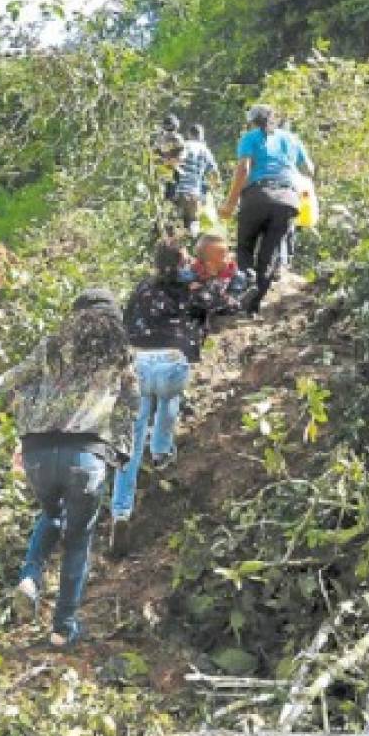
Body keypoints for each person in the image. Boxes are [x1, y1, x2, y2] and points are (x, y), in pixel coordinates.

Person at [6, 289, 139, 648]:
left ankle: (30, 576)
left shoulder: (51, 346)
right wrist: (120, 454)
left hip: (37, 452)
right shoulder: (120, 356)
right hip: (85, 456)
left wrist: (25, 425)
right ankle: (63, 628)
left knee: (51, 514)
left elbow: (15, 381)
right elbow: (129, 408)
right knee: (78, 539)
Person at [110, 239, 227, 557]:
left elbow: (123, 321)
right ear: (182, 261)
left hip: (137, 362)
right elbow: (216, 301)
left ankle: (121, 511)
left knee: (130, 445)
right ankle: (161, 452)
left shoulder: (141, 288)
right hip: (172, 359)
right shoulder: (189, 283)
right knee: (169, 400)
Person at [218, 104, 315, 315]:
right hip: (287, 201)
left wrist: (230, 204)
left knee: (244, 247)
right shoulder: (291, 139)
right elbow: (310, 168)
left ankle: (247, 279)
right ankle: (253, 307)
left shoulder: (250, 137)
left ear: (253, 122)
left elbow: (244, 169)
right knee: (269, 255)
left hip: (257, 197)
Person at [175, 125, 221, 238]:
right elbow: (214, 173)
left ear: (189, 134)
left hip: (180, 191)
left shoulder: (184, 146)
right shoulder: (206, 151)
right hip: (195, 194)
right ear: (201, 136)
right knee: (193, 226)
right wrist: (216, 190)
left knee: (176, 226)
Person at [153, 113, 186, 196]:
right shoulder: (161, 139)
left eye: (171, 129)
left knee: (171, 194)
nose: (169, 131)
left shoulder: (177, 139)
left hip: (172, 171)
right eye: (168, 129)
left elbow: (182, 155)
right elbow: (154, 154)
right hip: (163, 170)